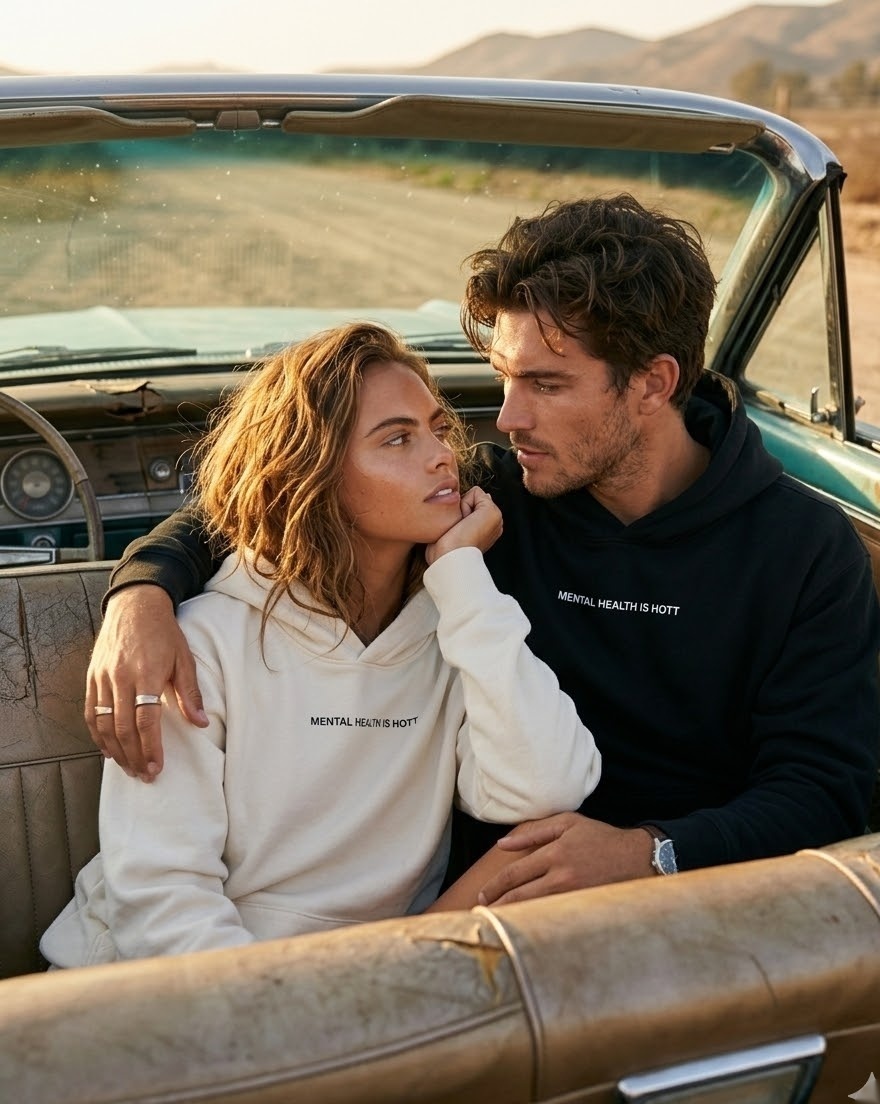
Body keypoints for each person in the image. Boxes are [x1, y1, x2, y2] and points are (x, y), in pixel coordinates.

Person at [84, 194, 880, 908]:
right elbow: (288, 492)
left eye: (548, 385)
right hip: (484, 911)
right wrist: (143, 593)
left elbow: (824, 789)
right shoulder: (493, 497)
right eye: (502, 377)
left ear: (653, 383)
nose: (506, 419)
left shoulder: (802, 547)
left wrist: (649, 855)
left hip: (701, 892)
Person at [40, 322, 600, 966]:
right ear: (312, 474)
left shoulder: (459, 628)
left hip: (359, 990)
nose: (443, 455)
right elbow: (162, 897)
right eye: (397, 438)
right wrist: (289, 1024)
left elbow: (544, 790)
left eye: (438, 430)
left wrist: (464, 580)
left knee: (543, 856)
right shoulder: (201, 642)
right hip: (159, 992)